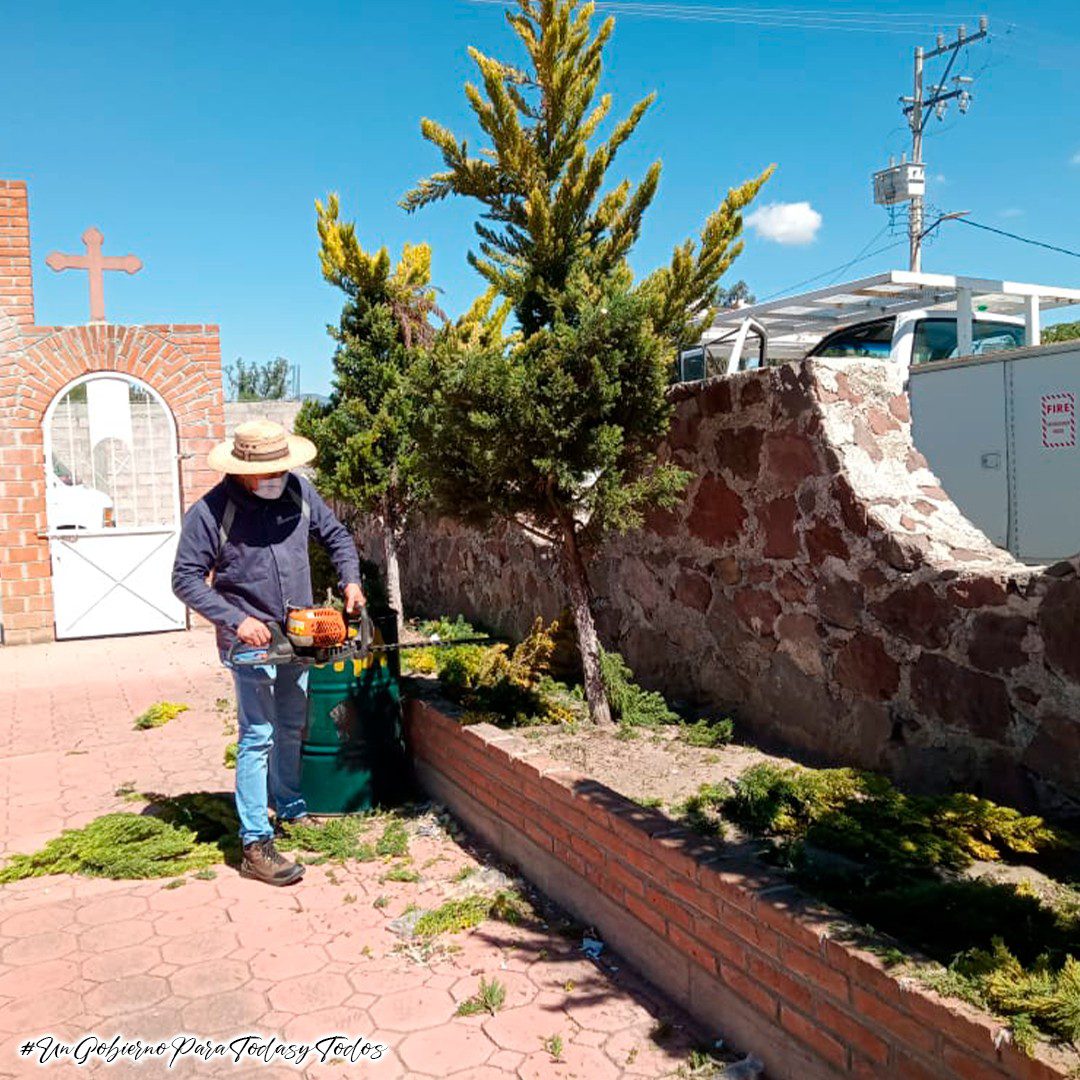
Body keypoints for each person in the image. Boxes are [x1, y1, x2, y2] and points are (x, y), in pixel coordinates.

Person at [172, 419, 365, 886]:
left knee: (292, 723)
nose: (277, 477)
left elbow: (336, 537)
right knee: (257, 733)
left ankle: (290, 804)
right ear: (240, 470)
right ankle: (255, 842)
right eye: (268, 472)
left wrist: (350, 579)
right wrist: (237, 621)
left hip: (297, 635)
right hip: (249, 642)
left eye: (282, 468)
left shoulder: (298, 493)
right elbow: (185, 579)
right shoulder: (211, 513)